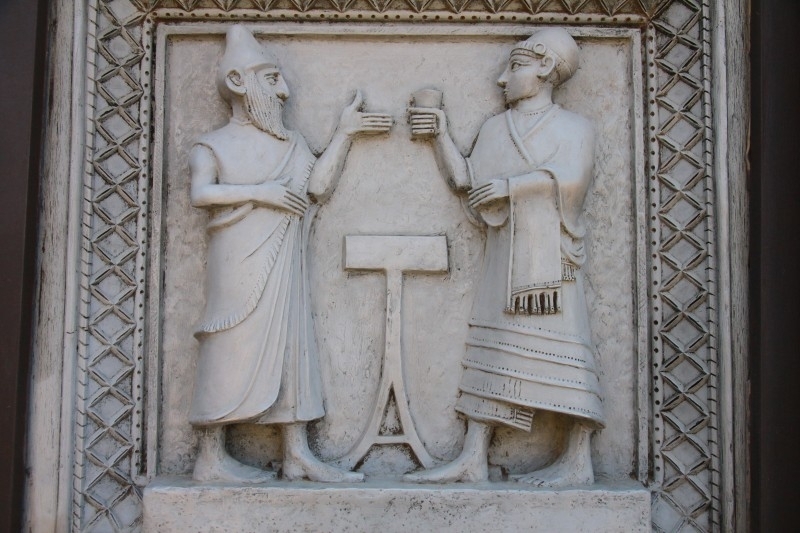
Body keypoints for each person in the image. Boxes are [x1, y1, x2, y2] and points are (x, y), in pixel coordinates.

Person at [188, 25, 391, 483]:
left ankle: (296, 453)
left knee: (291, 346)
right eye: (272, 79)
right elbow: (201, 193)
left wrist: (343, 134)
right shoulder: (212, 145)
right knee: (226, 341)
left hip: (285, 260)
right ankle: (211, 457)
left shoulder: (292, 144)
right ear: (238, 81)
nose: (283, 91)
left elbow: (316, 186)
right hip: (237, 264)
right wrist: (262, 193)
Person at [405, 28, 604, 487]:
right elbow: (469, 182)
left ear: (546, 68)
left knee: (565, 350)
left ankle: (578, 459)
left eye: (514, 67)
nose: (501, 79)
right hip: (504, 256)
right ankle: (473, 456)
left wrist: (512, 187)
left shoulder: (576, 129)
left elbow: (572, 180)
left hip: (551, 264)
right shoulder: (496, 129)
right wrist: (441, 136)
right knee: (494, 350)